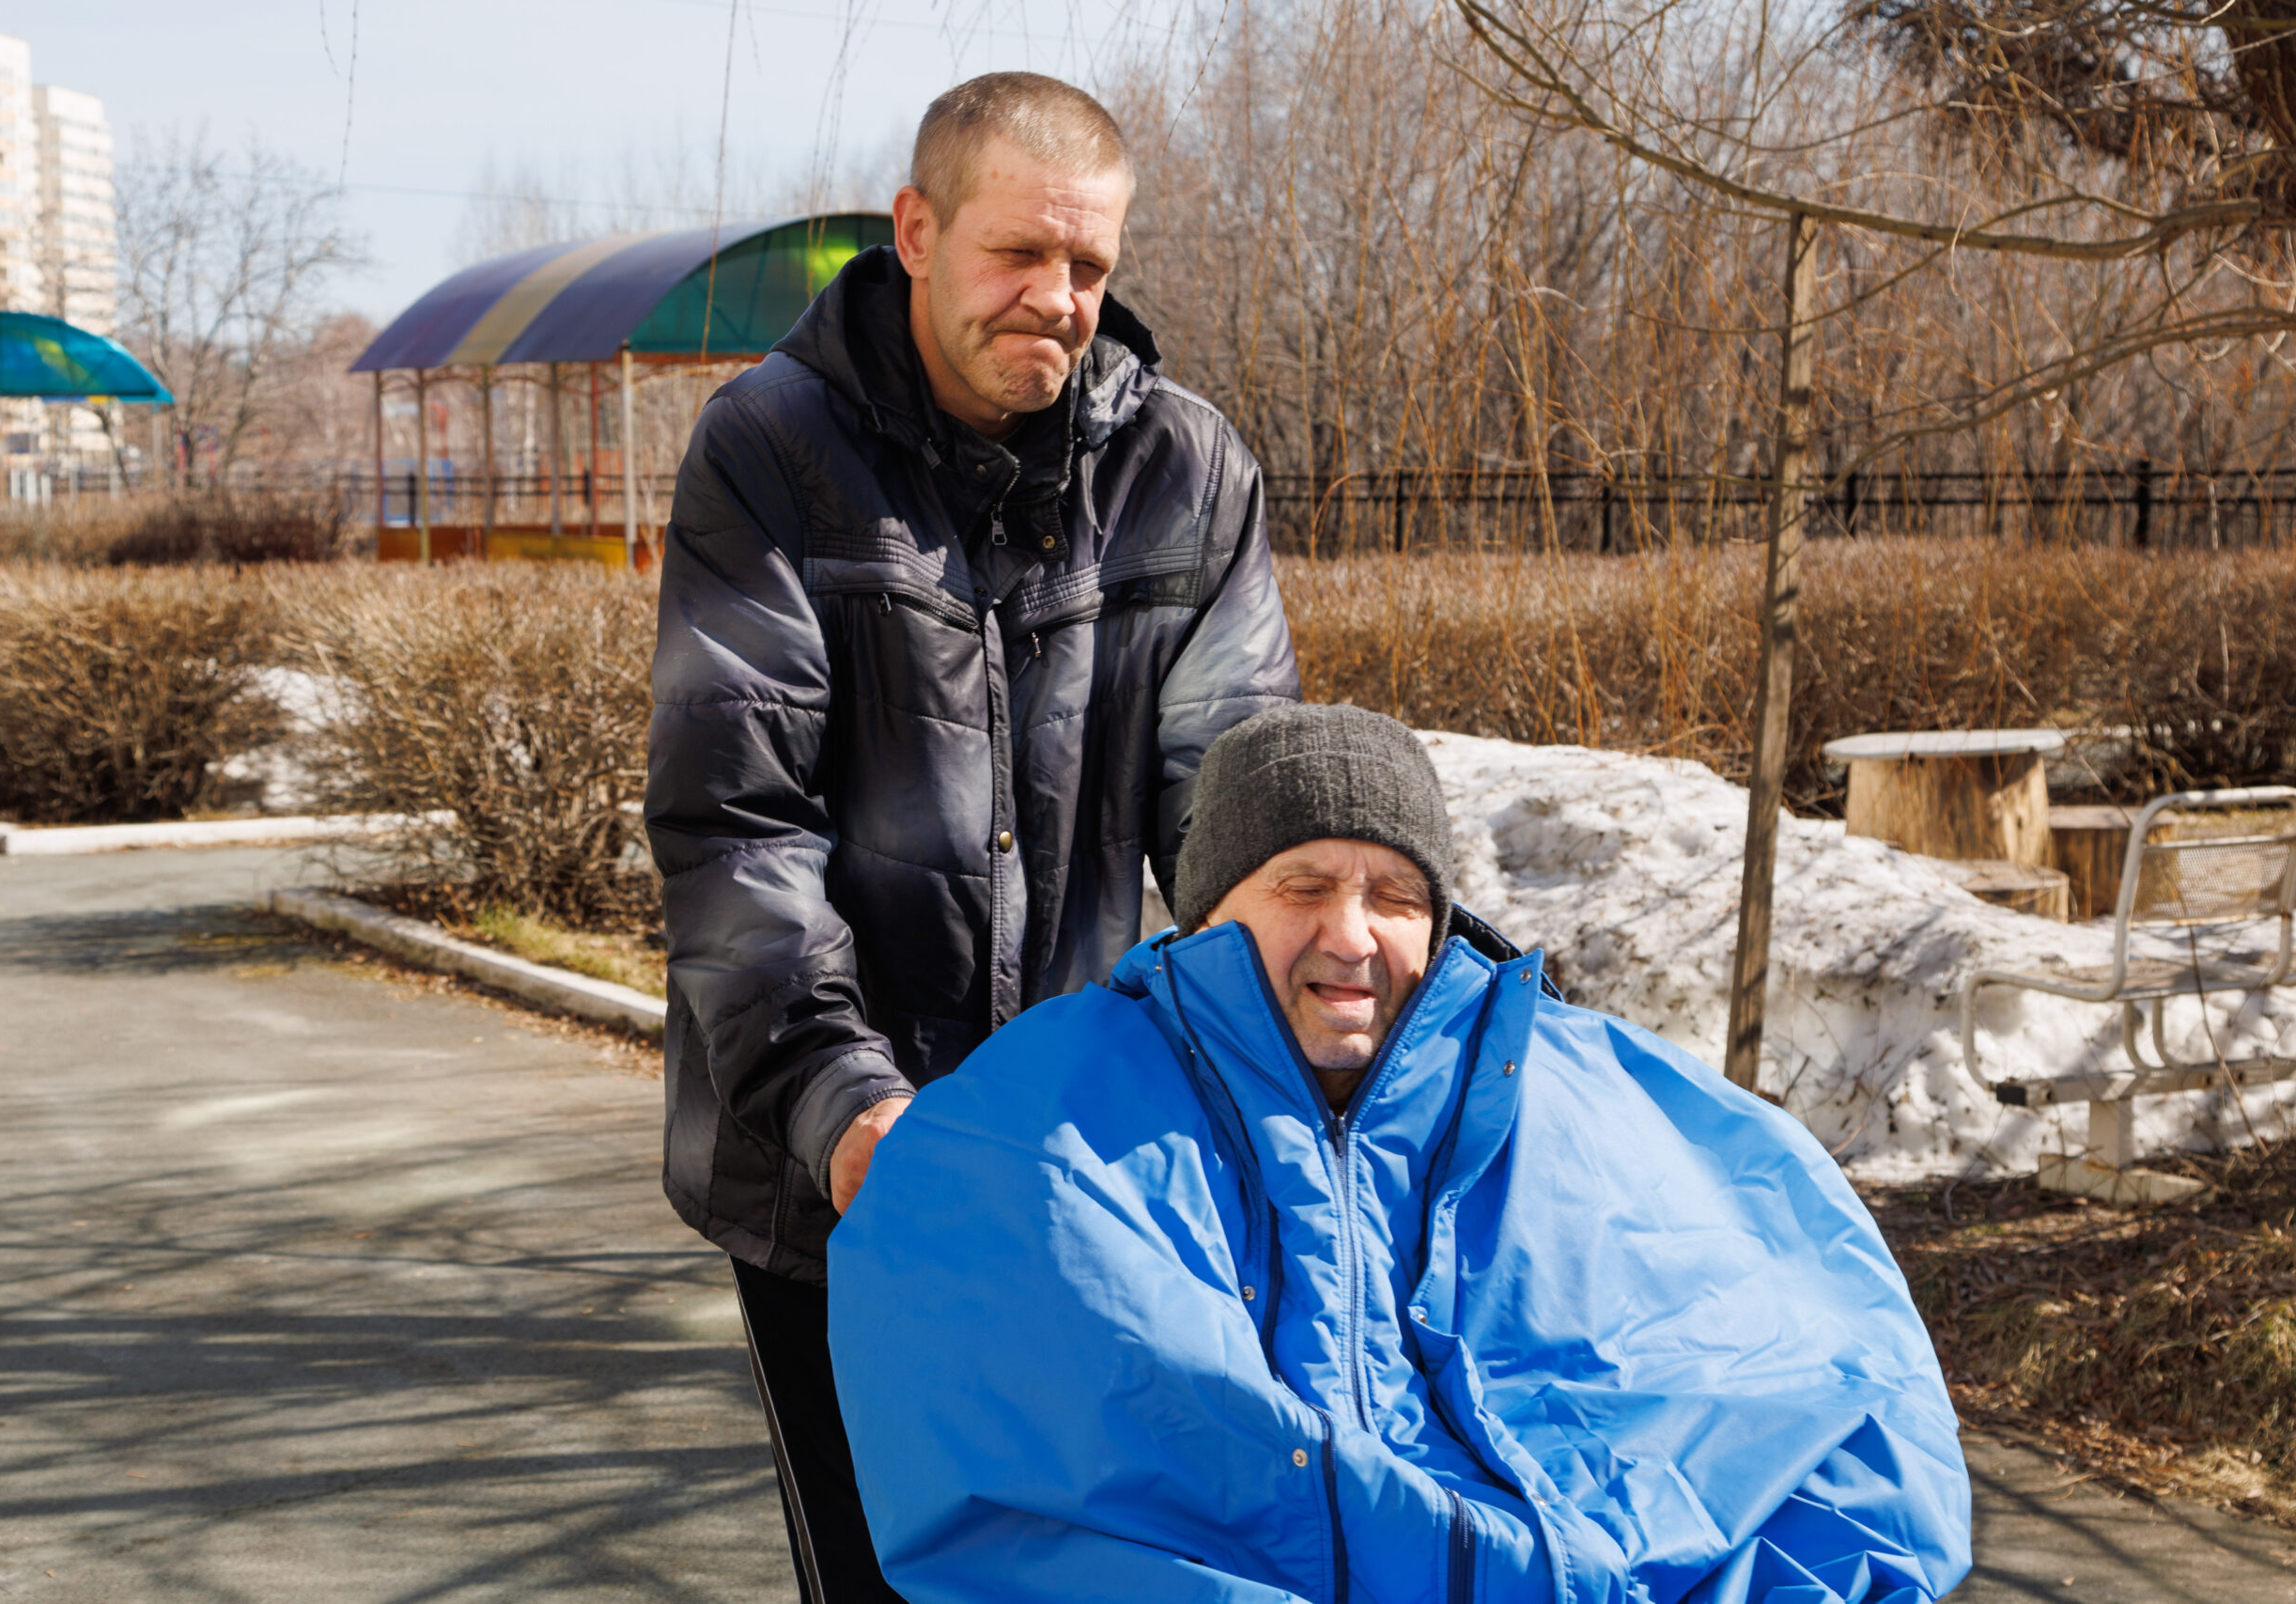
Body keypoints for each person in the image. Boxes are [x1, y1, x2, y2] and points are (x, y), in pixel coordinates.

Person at [828, 704, 1973, 1603]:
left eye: (1395, 896)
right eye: (1305, 887)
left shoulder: (1588, 1096)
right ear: (1208, 909)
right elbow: (1022, 1497)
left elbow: (1832, 1383)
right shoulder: (1058, 1117)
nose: (1351, 936)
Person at [644, 71, 1299, 1602]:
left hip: (1087, 1155)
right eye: (1020, 256)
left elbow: (1237, 809)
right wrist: (846, 1107)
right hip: (831, 1168)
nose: (1057, 301)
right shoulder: (769, 450)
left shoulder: (1186, 476)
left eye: (1090, 268)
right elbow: (737, 820)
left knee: (1097, 1572)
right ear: (917, 232)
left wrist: (1298, 1022)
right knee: (891, 1573)